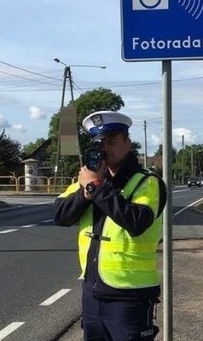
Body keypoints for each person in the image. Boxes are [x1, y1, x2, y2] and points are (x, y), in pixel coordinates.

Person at [53, 110, 166, 341]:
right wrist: (86, 192)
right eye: (100, 144)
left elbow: (136, 221)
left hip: (130, 297)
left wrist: (95, 188)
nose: (106, 148)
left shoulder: (147, 182)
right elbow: (60, 215)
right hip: (93, 296)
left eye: (112, 141)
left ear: (128, 142)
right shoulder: (91, 180)